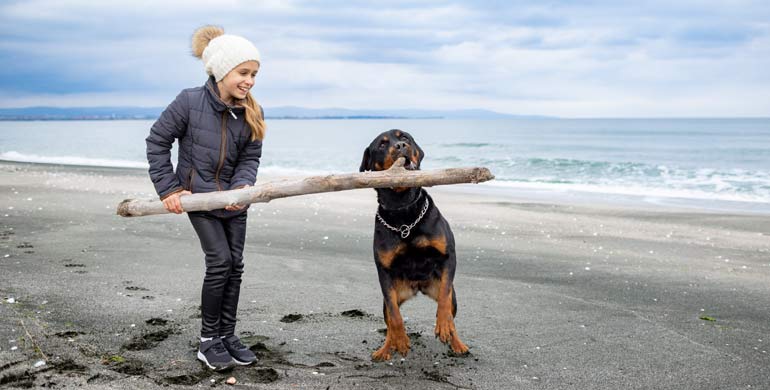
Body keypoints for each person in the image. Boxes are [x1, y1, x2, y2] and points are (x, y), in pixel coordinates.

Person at [145, 25, 264, 371]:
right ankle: (208, 340)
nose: (250, 81)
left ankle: (227, 335)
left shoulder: (252, 111)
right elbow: (157, 142)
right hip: (199, 200)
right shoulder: (189, 102)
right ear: (222, 71)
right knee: (220, 264)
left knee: (236, 267)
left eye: (254, 74)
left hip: (235, 203)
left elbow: (249, 159)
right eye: (244, 73)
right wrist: (169, 189)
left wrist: (242, 189)